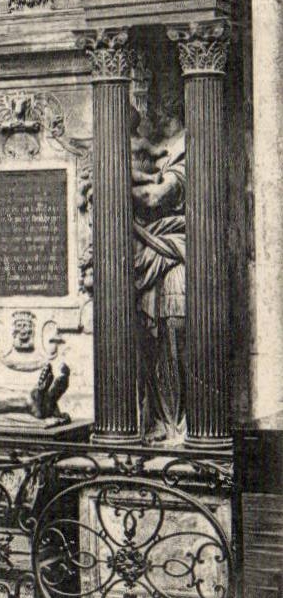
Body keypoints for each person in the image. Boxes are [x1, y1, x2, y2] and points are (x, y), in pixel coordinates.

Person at [131, 110, 187, 440]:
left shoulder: (184, 155)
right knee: (154, 341)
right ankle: (163, 420)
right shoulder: (158, 149)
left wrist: (113, 179)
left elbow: (154, 197)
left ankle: (179, 423)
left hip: (174, 251)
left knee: (175, 333)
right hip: (154, 250)